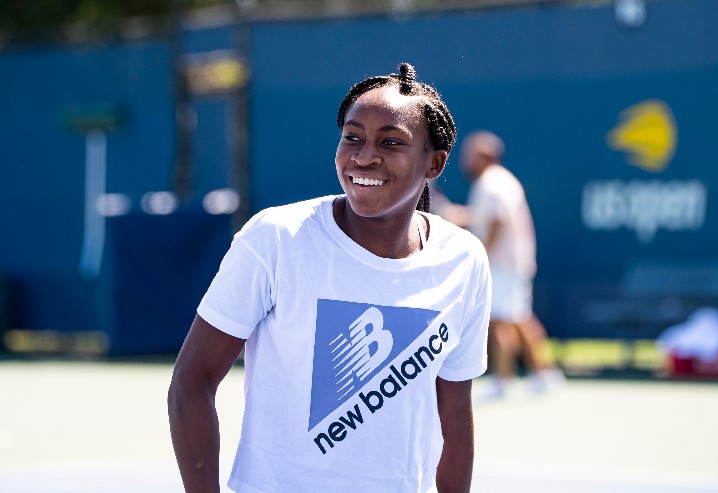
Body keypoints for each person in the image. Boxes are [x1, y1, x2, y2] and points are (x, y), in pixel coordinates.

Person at [168, 63, 491, 493]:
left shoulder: (463, 259)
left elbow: (454, 414)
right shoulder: (276, 239)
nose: (364, 155)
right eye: (352, 137)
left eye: (391, 142)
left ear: (434, 163)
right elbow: (192, 380)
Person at [458, 130, 563, 398]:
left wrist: (483, 255)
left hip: (500, 263)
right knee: (519, 318)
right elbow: (488, 217)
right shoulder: (498, 182)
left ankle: (503, 381)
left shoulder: (491, 183)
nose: (464, 160)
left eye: (469, 154)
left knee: (498, 321)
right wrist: (462, 216)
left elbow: (497, 221)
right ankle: (545, 374)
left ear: (483, 156)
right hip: (511, 262)